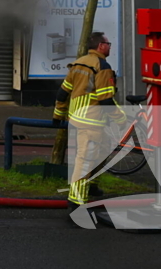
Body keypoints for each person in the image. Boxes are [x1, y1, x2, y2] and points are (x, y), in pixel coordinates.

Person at [53, 31, 123, 213]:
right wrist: (121, 118)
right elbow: (105, 99)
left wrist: (58, 115)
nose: (109, 47)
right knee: (85, 160)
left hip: (76, 118)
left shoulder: (77, 64)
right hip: (91, 122)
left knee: (102, 151)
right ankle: (76, 202)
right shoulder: (102, 66)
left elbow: (63, 93)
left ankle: (92, 186)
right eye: (108, 44)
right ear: (101, 46)